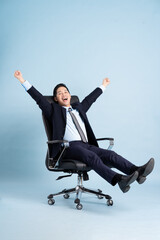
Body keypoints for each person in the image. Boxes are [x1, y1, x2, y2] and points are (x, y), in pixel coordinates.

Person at [14, 70, 155, 193]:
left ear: (69, 95)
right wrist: (22, 80)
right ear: (56, 99)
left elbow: (90, 99)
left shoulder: (78, 108)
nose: (63, 93)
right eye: (59, 93)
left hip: (85, 144)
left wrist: (103, 85)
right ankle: (119, 180)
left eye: (65, 91)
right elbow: (38, 98)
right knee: (91, 157)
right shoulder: (53, 110)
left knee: (110, 155)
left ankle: (138, 172)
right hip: (67, 147)